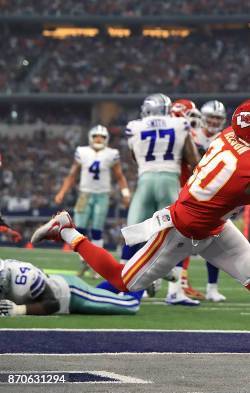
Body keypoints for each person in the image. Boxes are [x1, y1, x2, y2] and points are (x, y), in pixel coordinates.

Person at [31, 97, 250, 366]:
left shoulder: (230, 136)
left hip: (214, 226)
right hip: (180, 230)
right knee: (125, 282)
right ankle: (67, 232)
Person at [121, 93, 201, 306]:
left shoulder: (135, 127)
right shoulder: (180, 124)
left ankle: (124, 286)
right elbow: (194, 160)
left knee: (134, 231)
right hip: (170, 179)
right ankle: (174, 288)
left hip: (145, 180)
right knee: (179, 233)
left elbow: (133, 155)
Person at [55, 125, 131, 277]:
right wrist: (62, 191)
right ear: (90, 137)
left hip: (102, 195)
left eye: (102, 137)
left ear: (106, 139)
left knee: (97, 231)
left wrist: (125, 193)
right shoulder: (82, 151)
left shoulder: (111, 153)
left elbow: (119, 175)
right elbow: (72, 175)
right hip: (84, 194)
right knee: (79, 230)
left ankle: (98, 265)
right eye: (96, 136)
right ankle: (84, 260)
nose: (98, 139)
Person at [171, 99, 227, 302]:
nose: (213, 121)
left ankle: (212, 287)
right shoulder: (190, 132)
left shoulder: (224, 138)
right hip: (186, 191)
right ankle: (177, 285)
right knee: (180, 239)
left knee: (215, 240)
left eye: (217, 118)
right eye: (211, 117)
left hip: (212, 195)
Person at [0, 259, 141, 317]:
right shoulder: (6, 271)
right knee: (98, 293)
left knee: (130, 305)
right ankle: (123, 281)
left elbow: (52, 304)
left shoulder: (24, 279)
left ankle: (143, 277)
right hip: (59, 286)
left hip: (71, 294)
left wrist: (19, 309)